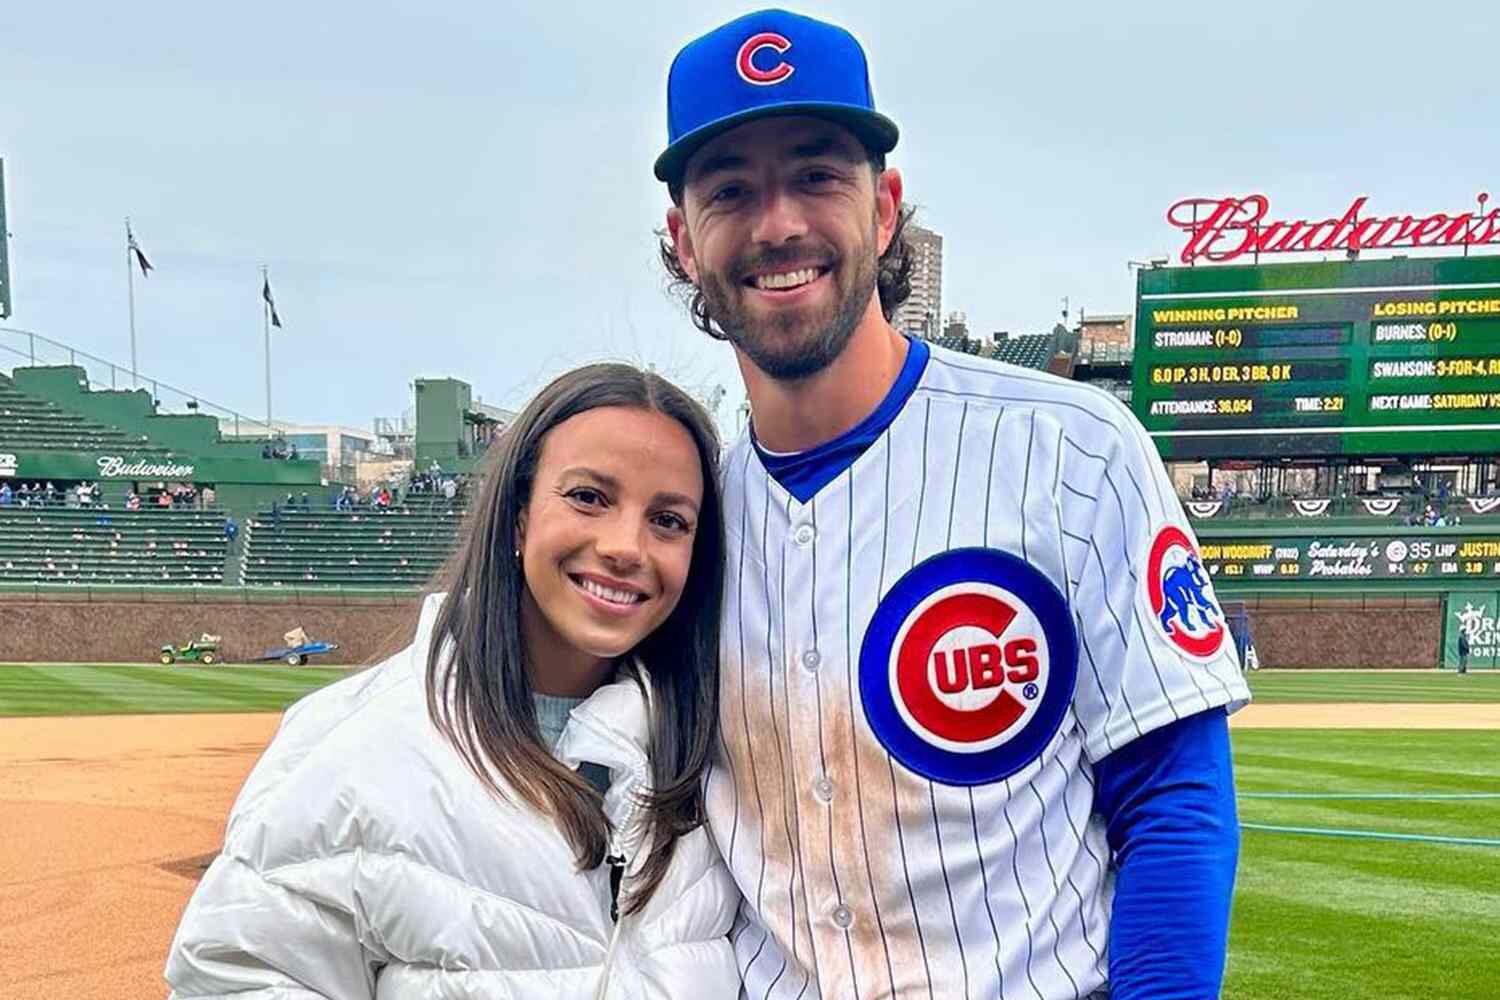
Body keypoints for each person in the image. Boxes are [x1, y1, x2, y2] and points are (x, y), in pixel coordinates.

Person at [655, 11, 1249, 999]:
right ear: (685, 241)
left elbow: (1174, 798)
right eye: (730, 190)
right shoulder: (684, 521)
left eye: (816, 175)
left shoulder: (1073, 450)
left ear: (884, 209)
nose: (779, 223)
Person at [165, 364, 739, 998]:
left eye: (669, 520)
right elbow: (235, 976)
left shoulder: (721, 753)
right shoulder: (358, 743)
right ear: (519, 516)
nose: (627, 545)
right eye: (588, 497)